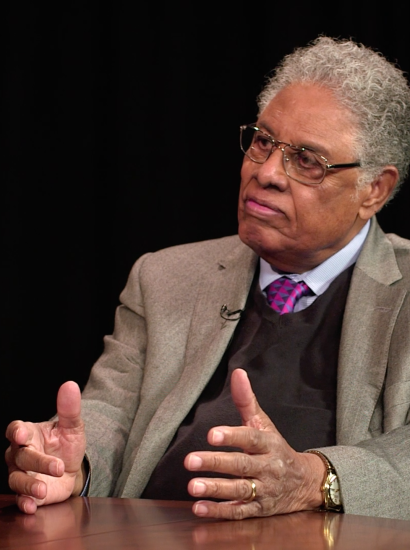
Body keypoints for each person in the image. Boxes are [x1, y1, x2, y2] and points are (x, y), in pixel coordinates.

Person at [5, 35, 410, 521]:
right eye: (263, 142)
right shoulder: (166, 277)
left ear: (374, 190)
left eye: (307, 161)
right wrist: (72, 464)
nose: (268, 173)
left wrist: (314, 479)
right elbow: (110, 413)